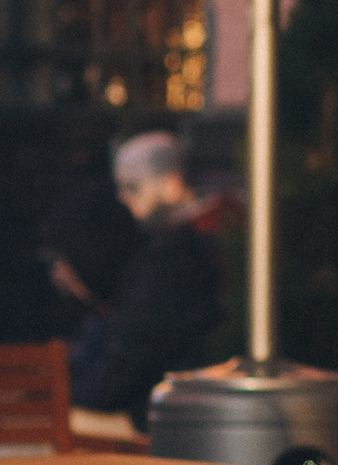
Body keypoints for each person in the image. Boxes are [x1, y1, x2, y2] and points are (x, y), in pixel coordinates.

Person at [65, 132, 221, 429]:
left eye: (133, 187)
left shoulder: (180, 253)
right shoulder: (176, 245)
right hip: (162, 403)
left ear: (172, 185)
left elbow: (136, 352)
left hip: (161, 412)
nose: (123, 197)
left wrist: (77, 394)